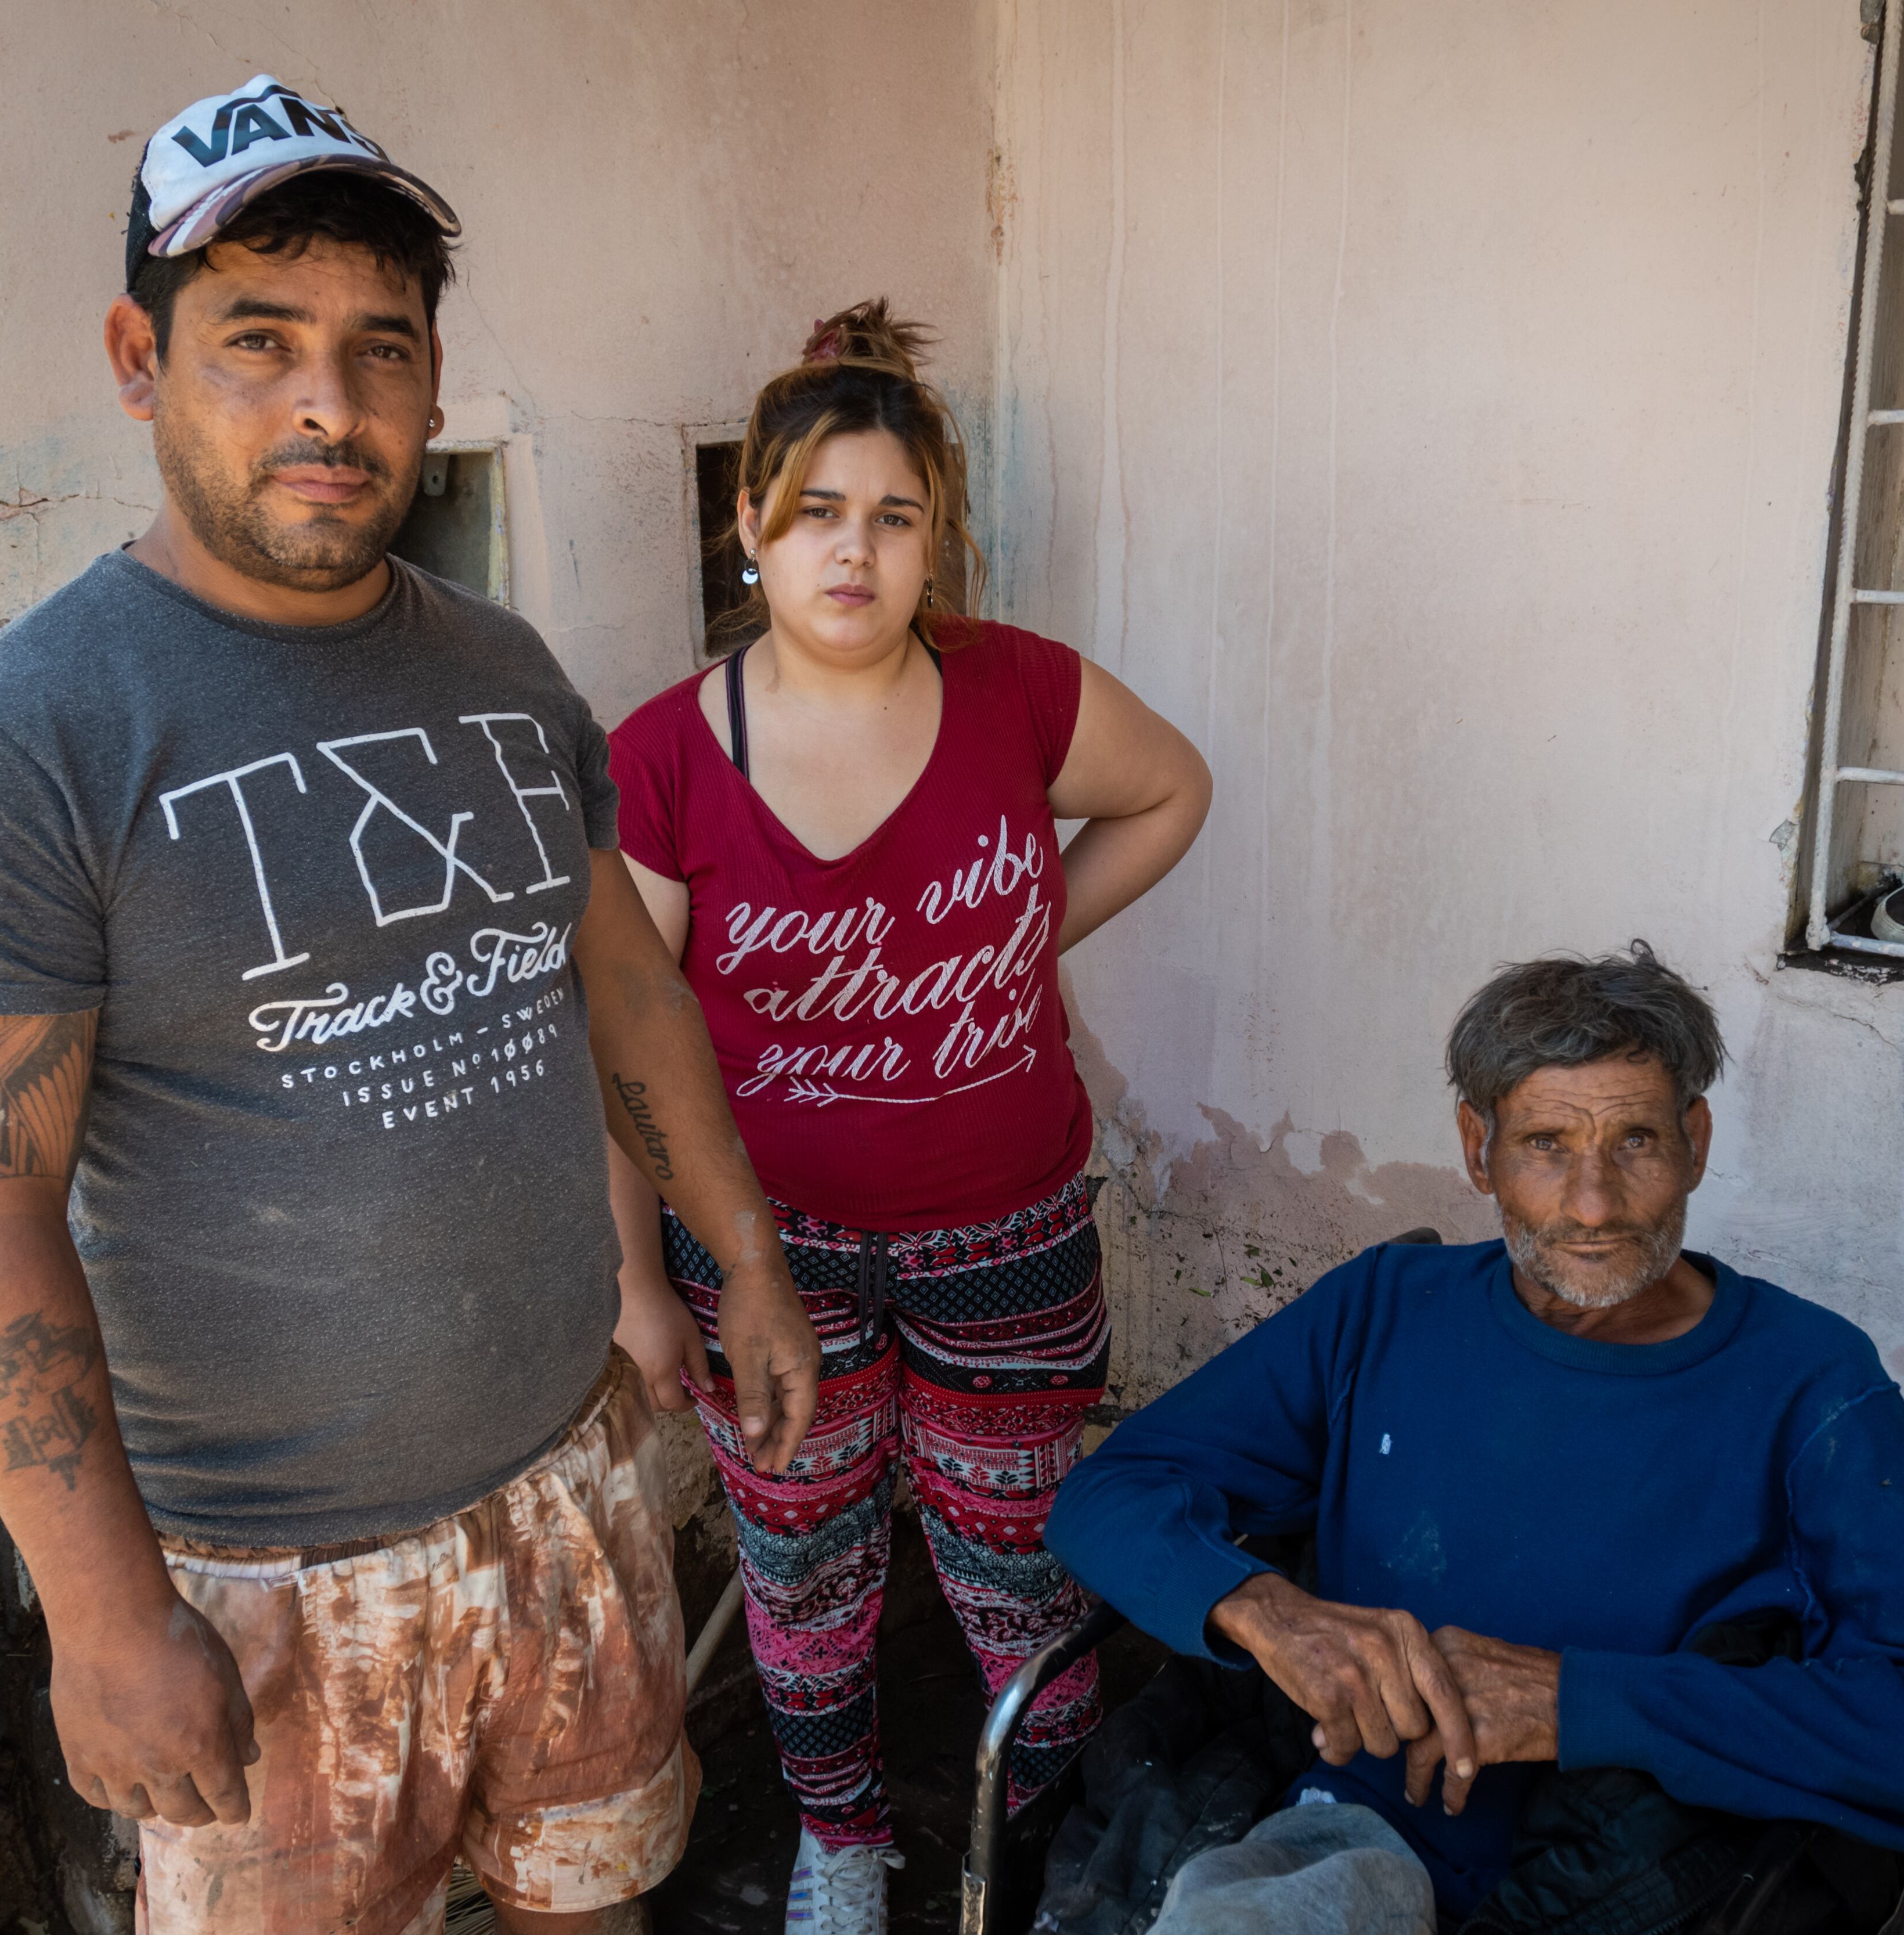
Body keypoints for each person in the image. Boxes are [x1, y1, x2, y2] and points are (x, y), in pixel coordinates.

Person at [0, 77, 821, 1935]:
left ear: (434, 384)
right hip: (256, 1577)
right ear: (140, 357)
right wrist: (109, 1613)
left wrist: (743, 1256)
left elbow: (620, 984)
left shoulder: (507, 676)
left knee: (589, 1909)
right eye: (259, 341)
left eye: (382, 348)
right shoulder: (17, 755)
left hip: (565, 1485)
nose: (329, 402)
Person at [1045, 946, 1904, 1931]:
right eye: (1545, 1144)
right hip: (1347, 1846)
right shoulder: (1387, 1309)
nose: (1593, 1205)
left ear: (1696, 1140)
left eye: (1638, 1142)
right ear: (1476, 1146)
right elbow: (1111, 1490)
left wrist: (1582, 1701)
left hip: (1629, 1876)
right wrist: (1265, 1610)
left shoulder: (1808, 1381)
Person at [604, 302, 1211, 1929]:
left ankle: (1054, 1841)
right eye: (814, 512)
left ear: (937, 534)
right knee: (803, 1576)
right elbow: (621, 1042)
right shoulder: (665, 757)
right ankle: (843, 1842)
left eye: (893, 516)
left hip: (1007, 1233)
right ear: (751, 524)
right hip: (769, 1256)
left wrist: (1024, 938)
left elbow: (1174, 790)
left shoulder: (1022, 694)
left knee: (1017, 1565)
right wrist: (638, 1279)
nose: (853, 553)